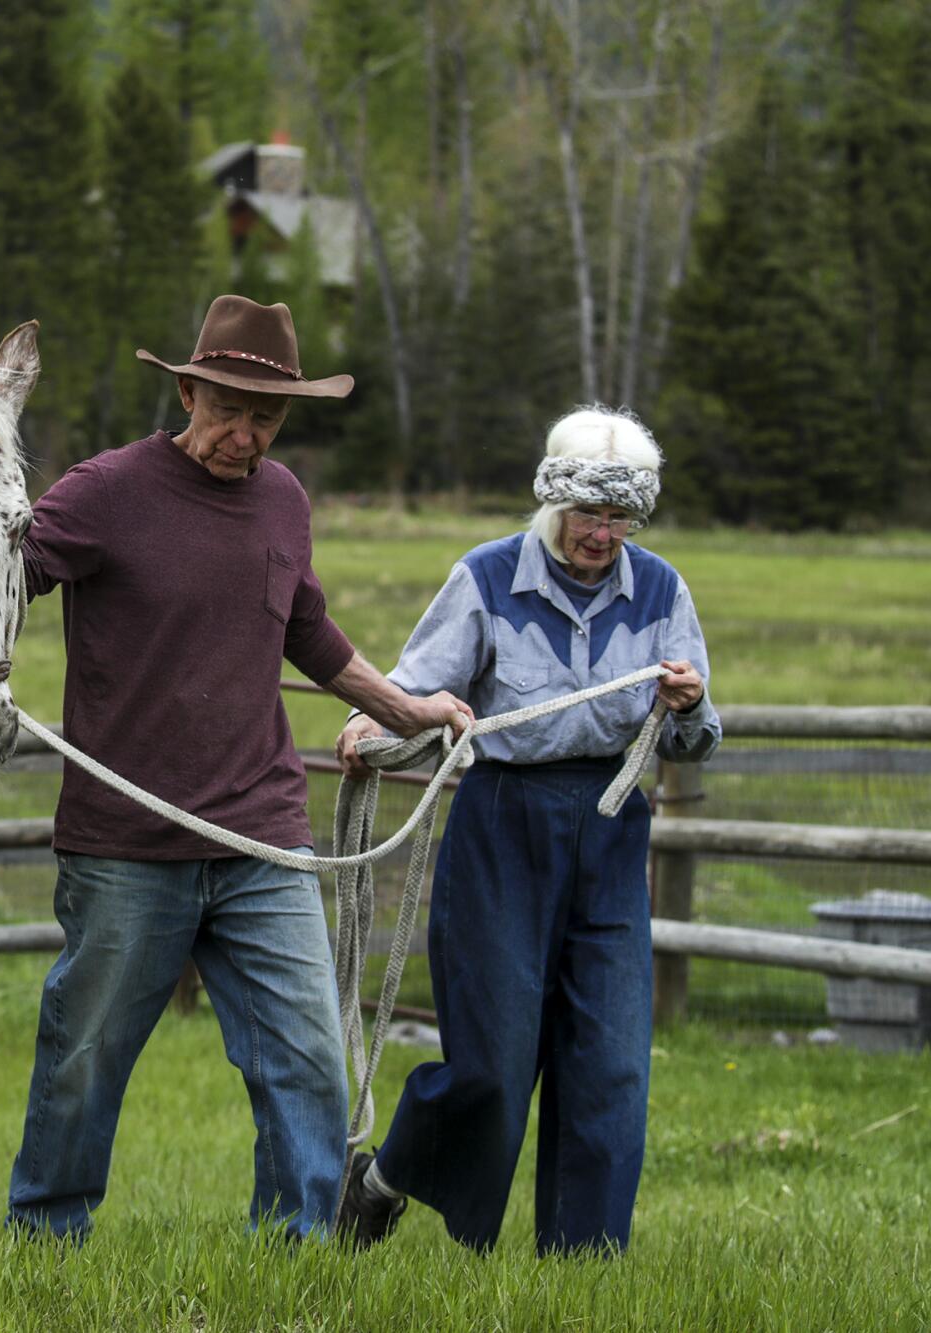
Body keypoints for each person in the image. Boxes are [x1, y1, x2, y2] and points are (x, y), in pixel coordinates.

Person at [6, 295, 472, 1243]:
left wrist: (406, 710)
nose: (245, 434)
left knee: (309, 1053)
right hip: (126, 843)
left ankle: (291, 1248)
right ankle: (47, 1235)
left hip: (261, 834)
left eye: (267, 416)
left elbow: (305, 630)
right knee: (86, 1053)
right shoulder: (103, 492)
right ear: (187, 391)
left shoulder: (284, 500)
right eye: (228, 408)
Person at [333, 406, 721, 1257]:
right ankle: (383, 1179)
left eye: (621, 516)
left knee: (612, 1061)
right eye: (589, 512)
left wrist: (691, 707)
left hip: (612, 828)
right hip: (501, 825)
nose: (604, 532)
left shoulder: (661, 589)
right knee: (494, 1064)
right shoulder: (485, 578)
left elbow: (695, 735)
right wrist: (372, 734)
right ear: (554, 502)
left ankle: (581, 1261)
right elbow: (412, 693)